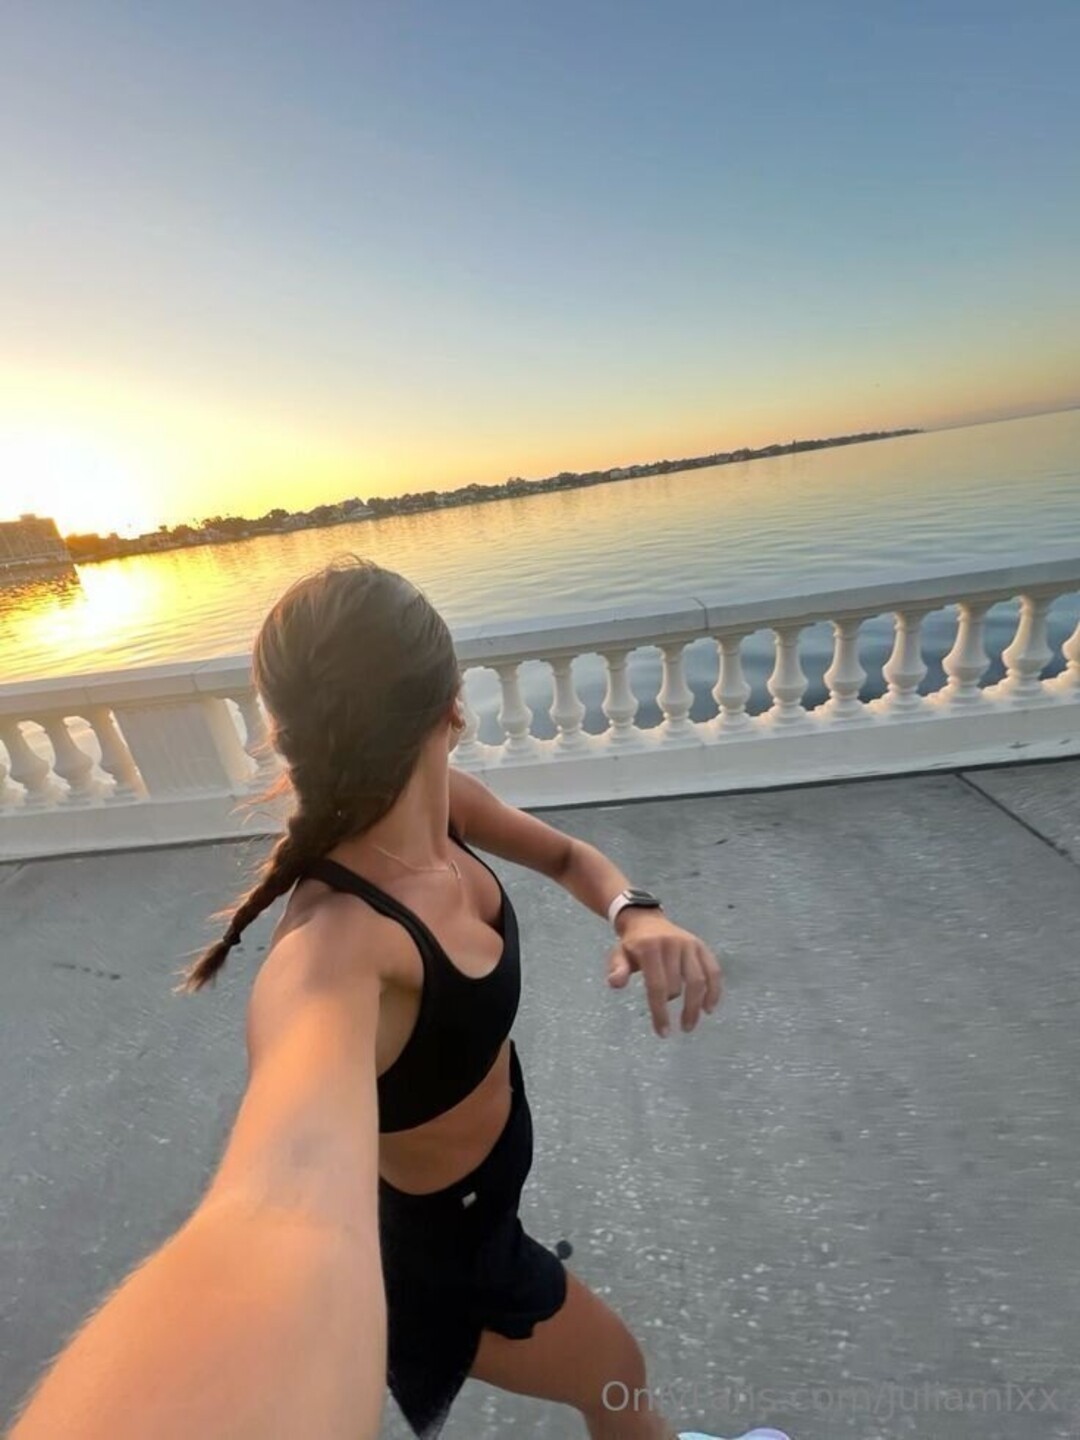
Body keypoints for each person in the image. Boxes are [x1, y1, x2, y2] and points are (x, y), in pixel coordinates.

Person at [10, 556, 789, 1440]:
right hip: (446, 1262)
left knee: (615, 1377)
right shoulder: (336, 952)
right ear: (454, 703)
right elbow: (277, 1207)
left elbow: (570, 857)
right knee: (617, 1375)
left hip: (484, 1216)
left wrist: (635, 913)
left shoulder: (445, 809)